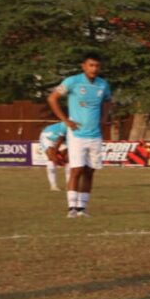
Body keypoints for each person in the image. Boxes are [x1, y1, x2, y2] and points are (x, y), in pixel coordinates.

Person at [47, 52, 112, 218]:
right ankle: (72, 208)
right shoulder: (72, 81)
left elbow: (108, 101)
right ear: (84, 66)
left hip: (95, 135)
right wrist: (65, 120)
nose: (94, 69)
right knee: (76, 170)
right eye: (91, 65)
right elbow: (52, 98)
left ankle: (83, 208)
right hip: (77, 135)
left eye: (97, 66)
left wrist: (104, 118)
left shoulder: (103, 84)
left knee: (90, 171)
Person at [39, 121, 68, 191]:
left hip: (63, 140)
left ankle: (69, 185)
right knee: (52, 159)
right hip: (48, 137)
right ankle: (53, 186)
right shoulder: (66, 124)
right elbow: (60, 138)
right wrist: (55, 153)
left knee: (68, 160)